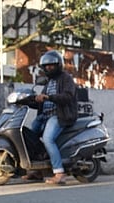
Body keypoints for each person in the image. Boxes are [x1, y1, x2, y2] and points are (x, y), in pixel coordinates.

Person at [23, 49, 78, 185]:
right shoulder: (49, 82)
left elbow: (67, 97)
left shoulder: (66, 79)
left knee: (48, 139)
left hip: (59, 116)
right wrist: (29, 100)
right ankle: (38, 170)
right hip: (44, 116)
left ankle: (59, 173)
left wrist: (49, 97)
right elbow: (41, 102)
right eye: (46, 66)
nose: (48, 68)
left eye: (51, 65)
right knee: (30, 136)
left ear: (58, 65)